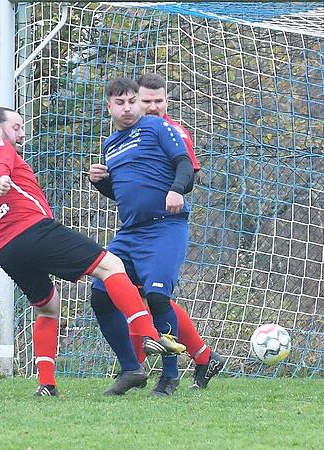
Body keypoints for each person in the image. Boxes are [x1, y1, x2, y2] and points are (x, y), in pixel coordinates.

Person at [0, 107, 184, 397]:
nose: (22, 133)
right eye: (16, 126)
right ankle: (149, 334)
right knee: (111, 265)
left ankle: (46, 384)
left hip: (4, 248)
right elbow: (0, 164)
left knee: (47, 306)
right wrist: (1, 178)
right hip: (32, 231)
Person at [87, 77, 222, 397]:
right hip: (129, 233)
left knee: (158, 297)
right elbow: (124, 192)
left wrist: (176, 190)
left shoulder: (159, 128)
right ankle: (132, 368)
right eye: (120, 103)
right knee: (101, 294)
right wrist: (100, 183)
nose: (129, 107)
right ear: (109, 107)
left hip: (164, 227)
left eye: (132, 101)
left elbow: (185, 166)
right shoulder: (111, 144)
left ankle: (169, 377)